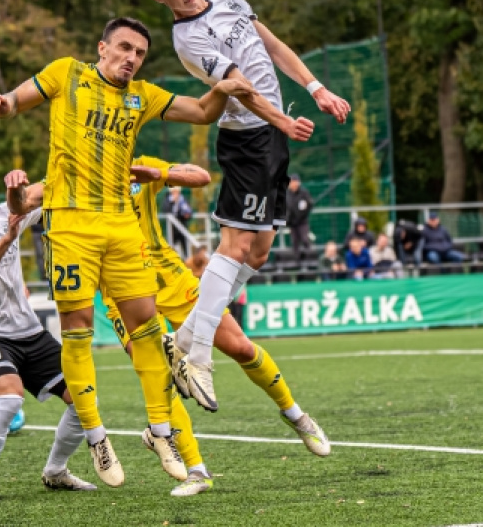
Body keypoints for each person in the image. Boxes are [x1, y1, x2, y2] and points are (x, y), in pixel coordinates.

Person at [0, 16, 260, 487]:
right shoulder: (66, 72)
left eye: (140, 53)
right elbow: (16, 101)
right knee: (78, 329)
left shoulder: (143, 95)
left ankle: (163, 432)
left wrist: (226, 86)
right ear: (102, 46)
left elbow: (202, 112)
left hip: (121, 226)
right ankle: (96, 437)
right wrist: (2, 104)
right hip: (69, 221)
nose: (131, 59)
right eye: (124, 48)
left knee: (148, 331)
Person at [138, 0, 350, 412]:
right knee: (233, 247)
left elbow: (271, 46)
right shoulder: (188, 40)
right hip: (247, 140)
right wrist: (282, 122)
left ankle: (187, 335)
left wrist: (316, 88)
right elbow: (241, 86)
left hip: (272, 138)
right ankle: (196, 357)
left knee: (259, 251)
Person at [120, 155, 329, 497]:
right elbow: (36, 199)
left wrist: (159, 173)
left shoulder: (140, 165)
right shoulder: (77, 178)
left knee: (241, 347)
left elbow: (200, 175)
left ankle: (297, 416)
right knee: (159, 374)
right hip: (120, 291)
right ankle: (197, 470)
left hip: (169, 277)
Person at [0, 158, 95, 504]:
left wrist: (70, 162)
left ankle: (56, 471)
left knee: (84, 399)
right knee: (9, 398)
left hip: (30, 332)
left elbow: (45, 188)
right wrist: (9, 237)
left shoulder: (3, 212)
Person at [286, 173, 314, 261]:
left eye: (295, 182)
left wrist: (304, 211)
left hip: (302, 221)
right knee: (295, 241)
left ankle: (310, 257)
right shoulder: (286, 194)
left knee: (304, 239)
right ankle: (297, 260)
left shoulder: (304, 193)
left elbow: (310, 204)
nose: (294, 184)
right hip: (291, 222)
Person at [164, 186, 192, 258]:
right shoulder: (167, 200)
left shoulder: (183, 200)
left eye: (177, 191)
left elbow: (189, 212)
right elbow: (165, 211)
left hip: (182, 227)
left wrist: (187, 215)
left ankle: (187, 260)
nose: (175, 193)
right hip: (172, 229)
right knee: (171, 247)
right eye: (174, 191)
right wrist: (173, 202)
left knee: (185, 247)